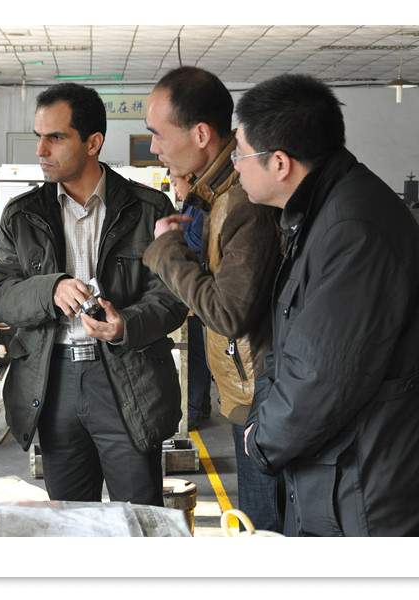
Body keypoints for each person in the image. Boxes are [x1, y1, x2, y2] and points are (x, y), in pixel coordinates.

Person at [237, 73, 419, 536]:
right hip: (350, 484)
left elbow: (321, 378)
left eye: (238, 153)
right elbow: (288, 348)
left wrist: (261, 440)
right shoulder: (321, 213)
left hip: (376, 504)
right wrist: (259, 421)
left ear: (279, 163)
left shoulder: (352, 230)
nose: (235, 167)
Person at [0, 83, 188, 506]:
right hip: (52, 380)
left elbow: (172, 297)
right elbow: (1, 294)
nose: (41, 150)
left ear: (93, 142)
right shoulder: (21, 215)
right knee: (70, 519)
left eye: (55, 137)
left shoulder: (148, 208)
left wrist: (125, 324)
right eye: (38, 136)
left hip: (126, 377)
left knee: (139, 516)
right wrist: (50, 289)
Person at [143, 66, 285, 532]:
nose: (154, 148)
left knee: (264, 529)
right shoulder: (215, 193)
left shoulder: (242, 199)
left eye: (158, 134)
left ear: (201, 134)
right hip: (249, 390)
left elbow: (228, 311)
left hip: (261, 397)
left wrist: (166, 252)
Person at [168, 169, 213, 429]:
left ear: (189, 177)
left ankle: (194, 409)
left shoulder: (200, 205)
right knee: (196, 348)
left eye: (176, 183)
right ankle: (202, 404)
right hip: (192, 285)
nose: (175, 190)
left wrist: (171, 239)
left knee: (195, 349)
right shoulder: (190, 204)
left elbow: (196, 244)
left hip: (198, 286)